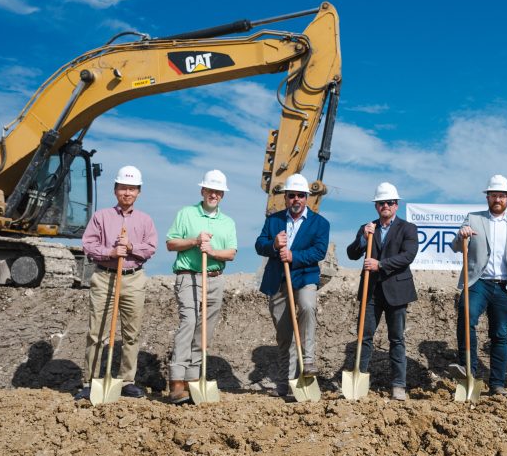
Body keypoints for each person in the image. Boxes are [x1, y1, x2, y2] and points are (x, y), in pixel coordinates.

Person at [76, 165, 157, 401]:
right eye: (123, 188)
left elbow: (150, 248)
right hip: (105, 277)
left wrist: (131, 247)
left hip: (133, 278)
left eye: (132, 189)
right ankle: (91, 381)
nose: (127, 193)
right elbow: (88, 245)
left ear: (138, 192)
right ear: (115, 190)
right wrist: (110, 252)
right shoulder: (101, 217)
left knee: (131, 333)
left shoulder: (145, 220)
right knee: (97, 332)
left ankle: (126, 381)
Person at [450, 174, 507, 398]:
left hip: (506, 286)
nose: (497, 199)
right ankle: (468, 371)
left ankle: (497, 384)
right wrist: (461, 235)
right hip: (478, 283)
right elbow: (456, 247)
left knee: (500, 335)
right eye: (493, 195)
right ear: (487, 197)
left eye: (501, 196)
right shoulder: (473, 219)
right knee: (466, 316)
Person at [164, 169, 238, 405]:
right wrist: (195, 241)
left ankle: (193, 378)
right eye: (210, 190)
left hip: (215, 278)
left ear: (222, 195)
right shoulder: (186, 214)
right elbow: (171, 243)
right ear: (202, 191)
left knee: (204, 329)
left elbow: (231, 253)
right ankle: (177, 381)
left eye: (218, 192)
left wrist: (212, 251)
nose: (213, 195)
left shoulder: (228, 223)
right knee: (188, 322)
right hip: (188, 276)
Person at [255, 173, 330, 397]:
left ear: (306, 197)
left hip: (305, 276)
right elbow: (259, 244)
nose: (296, 199)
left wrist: (293, 256)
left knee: (307, 306)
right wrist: (273, 244)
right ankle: (285, 382)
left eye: (300, 195)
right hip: (278, 279)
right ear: (285, 197)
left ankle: (308, 360)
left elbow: (319, 251)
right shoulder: (274, 220)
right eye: (291, 195)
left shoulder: (320, 223)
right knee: (284, 333)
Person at [346, 182, 419, 401]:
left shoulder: (408, 228)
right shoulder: (368, 228)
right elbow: (351, 254)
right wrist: (363, 238)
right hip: (371, 291)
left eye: (389, 202)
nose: (385, 205)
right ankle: (360, 379)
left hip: (397, 291)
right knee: (364, 337)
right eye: (381, 203)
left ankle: (398, 385)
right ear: (376, 206)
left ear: (396, 205)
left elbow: (408, 256)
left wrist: (380, 264)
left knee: (396, 339)